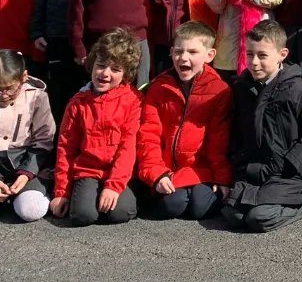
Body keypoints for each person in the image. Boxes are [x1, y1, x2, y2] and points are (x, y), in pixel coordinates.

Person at [223, 20, 302, 233]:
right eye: (250, 54)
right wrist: (238, 161)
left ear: (282, 54)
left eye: (262, 56)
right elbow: (236, 130)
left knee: (259, 219)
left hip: (286, 172)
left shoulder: (298, 90)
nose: (254, 62)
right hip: (252, 171)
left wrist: (294, 160)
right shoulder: (242, 87)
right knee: (232, 216)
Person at [136, 20, 233, 220]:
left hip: (201, 170)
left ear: (210, 55)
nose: (184, 58)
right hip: (167, 169)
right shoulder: (157, 88)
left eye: (192, 52)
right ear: (171, 52)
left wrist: (222, 179)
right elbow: (149, 135)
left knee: (200, 208)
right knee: (174, 205)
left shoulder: (219, 91)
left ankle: (193, 191)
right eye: (178, 51)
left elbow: (219, 142)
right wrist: (157, 173)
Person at [49, 28, 143, 226]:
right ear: (92, 65)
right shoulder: (78, 103)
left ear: (126, 74)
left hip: (118, 171)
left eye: (115, 69)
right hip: (87, 170)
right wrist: (61, 192)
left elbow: (128, 147)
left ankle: (117, 196)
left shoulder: (133, 101)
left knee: (120, 213)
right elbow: (66, 148)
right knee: (83, 216)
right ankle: (89, 198)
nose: (105, 74)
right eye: (101, 66)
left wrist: (114, 186)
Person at [0, 49, 54, 222]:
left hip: (25, 162)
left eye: (9, 88)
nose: (3, 95)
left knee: (31, 210)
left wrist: (26, 174)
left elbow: (43, 140)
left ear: (23, 77)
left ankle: (38, 188)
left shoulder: (38, 97)